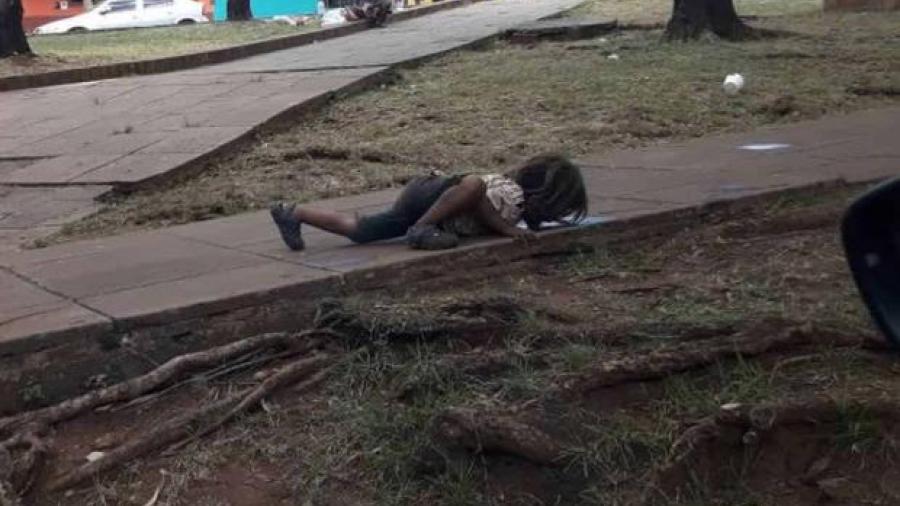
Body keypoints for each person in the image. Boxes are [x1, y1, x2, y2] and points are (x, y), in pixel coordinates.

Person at [270, 154, 588, 251]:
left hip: (419, 197)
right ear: (544, 197)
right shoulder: (511, 195)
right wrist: (505, 229)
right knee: (473, 185)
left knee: (362, 230)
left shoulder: (514, 205)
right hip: (435, 194)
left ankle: (294, 213)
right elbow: (476, 192)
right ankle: (421, 229)